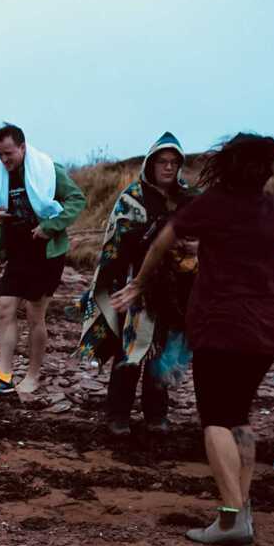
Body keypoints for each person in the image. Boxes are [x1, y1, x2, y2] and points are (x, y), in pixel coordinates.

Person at [107, 133, 274, 546]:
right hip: (267, 325)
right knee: (239, 416)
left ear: (226, 166)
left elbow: (162, 241)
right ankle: (241, 508)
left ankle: (229, 518)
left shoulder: (213, 204)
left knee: (216, 421)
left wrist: (137, 285)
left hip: (219, 323)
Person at [79, 132, 200, 434]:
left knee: (162, 349)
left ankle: (156, 414)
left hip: (176, 286)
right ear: (151, 163)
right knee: (131, 350)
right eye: (163, 161)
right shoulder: (131, 198)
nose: (168, 168)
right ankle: (118, 414)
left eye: (174, 162)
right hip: (136, 283)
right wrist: (154, 234)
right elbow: (117, 240)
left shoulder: (188, 198)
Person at [0, 122, 85, 396]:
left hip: (45, 253)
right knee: (4, 308)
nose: (4, 160)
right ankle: (4, 373)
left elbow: (76, 200)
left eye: (9, 154)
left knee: (34, 314)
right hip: (17, 251)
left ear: (22, 147)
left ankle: (33, 375)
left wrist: (50, 227)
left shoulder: (48, 169)